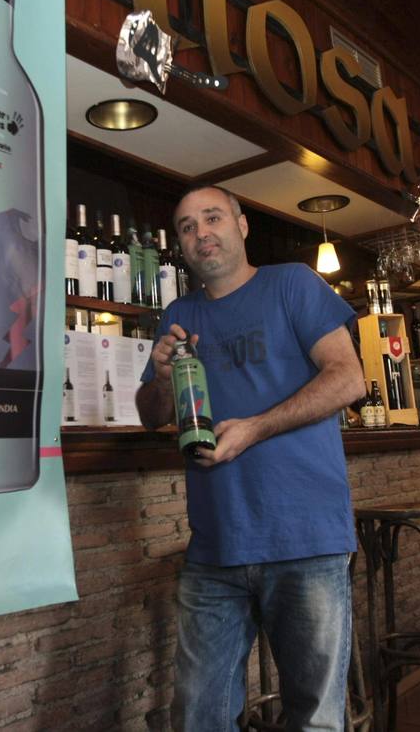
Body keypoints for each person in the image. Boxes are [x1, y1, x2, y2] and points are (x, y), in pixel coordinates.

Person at [135, 185, 366, 731]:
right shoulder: (178, 313)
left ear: (242, 226)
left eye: (212, 218)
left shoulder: (293, 284)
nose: (200, 233)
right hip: (215, 546)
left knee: (313, 719)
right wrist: (163, 378)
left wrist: (255, 429)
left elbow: (348, 378)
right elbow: (151, 413)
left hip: (304, 540)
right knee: (199, 716)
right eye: (187, 226)